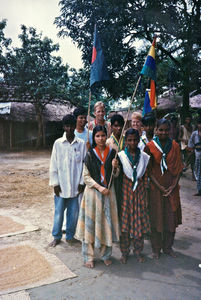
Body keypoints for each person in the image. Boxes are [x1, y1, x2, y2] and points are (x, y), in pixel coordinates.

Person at [76, 125, 120, 268]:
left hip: (108, 194)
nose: (101, 138)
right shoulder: (90, 154)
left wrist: (116, 167)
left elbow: (116, 175)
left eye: (103, 135)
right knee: (90, 224)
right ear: (94, 138)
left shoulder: (112, 153)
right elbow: (86, 177)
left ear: (106, 136)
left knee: (106, 224)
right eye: (97, 136)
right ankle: (88, 256)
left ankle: (106, 255)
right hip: (93, 194)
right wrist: (100, 187)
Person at [144, 119, 183, 259]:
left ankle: (168, 247)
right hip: (156, 189)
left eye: (166, 130)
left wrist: (173, 186)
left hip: (172, 189)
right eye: (161, 130)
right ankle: (156, 249)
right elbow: (148, 170)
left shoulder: (175, 146)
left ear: (170, 131)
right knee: (156, 218)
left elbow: (179, 168)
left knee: (170, 218)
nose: (163, 132)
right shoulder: (150, 146)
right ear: (156, 130)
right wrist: (160, 187)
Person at [49, 114, 86, 247]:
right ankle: (56, 236)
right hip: (61, 186)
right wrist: (55, 183)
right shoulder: (58, 143)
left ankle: (70, 236)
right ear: (64, 127)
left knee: (73, 213)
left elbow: (84, 165)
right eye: (67, 126)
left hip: (76, 186)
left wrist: (82, 183)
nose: (69, 128)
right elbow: (53, 164)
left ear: (75, 126)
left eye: (71, 126)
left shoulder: (81, 144)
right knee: (59, 213)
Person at [118, 128, 150, 264]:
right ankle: (124, 252)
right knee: (125, 224)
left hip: (139, 194)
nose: (132, 142)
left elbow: (146, 176)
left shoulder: (144, 157)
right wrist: (115, 167)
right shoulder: (120, 156)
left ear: (138, 141)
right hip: (126, 194)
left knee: (139, 223)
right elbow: (117, 176)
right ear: (126, 141)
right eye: (129, 140)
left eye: (135, 140)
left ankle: (138, 251)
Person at [188, 117, 201, 196]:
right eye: (199, 124)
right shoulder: (194, 134)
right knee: (198, 172)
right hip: (198, 155)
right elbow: (191, 145)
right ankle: (199, 190)